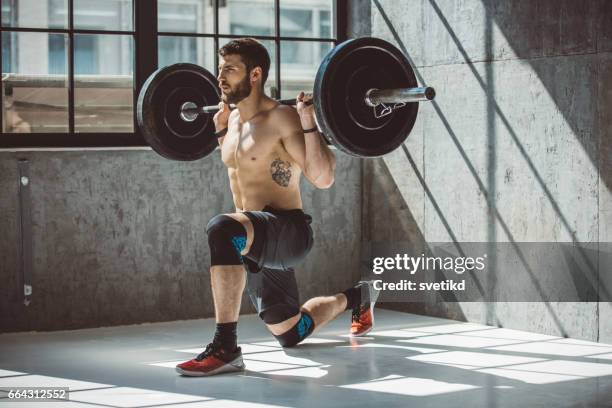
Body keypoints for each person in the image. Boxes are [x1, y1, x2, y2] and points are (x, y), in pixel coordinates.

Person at [176, 38, 378, 377]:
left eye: (230, 69)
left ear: (255, 74)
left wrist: (308, 121)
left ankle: (226, 347)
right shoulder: (232, 122)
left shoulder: (282, 118)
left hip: (288, 232)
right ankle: (357, 297)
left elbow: (323, 177)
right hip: (256, 242)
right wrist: (222, 130)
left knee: (221, 228)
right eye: (220, 67)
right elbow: (243, 171)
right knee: (290, 332)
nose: (220, 76)